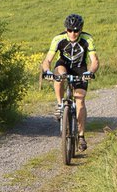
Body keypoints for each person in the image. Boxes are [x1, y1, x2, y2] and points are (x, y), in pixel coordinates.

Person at [41, 13, 99, 152]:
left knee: (80, 102)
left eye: (76, 30)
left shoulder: (87, 39)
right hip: (64, 65)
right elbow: (47, 60)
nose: (73, 33)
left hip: (80, 68)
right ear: (66, 29)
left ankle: (81, 136)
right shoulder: (58, 39)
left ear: (81, 29)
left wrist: (90, 72)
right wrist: (47, 71)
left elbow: (94, 60)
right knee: (59, 74)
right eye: (69, 30)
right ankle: (61, 104)